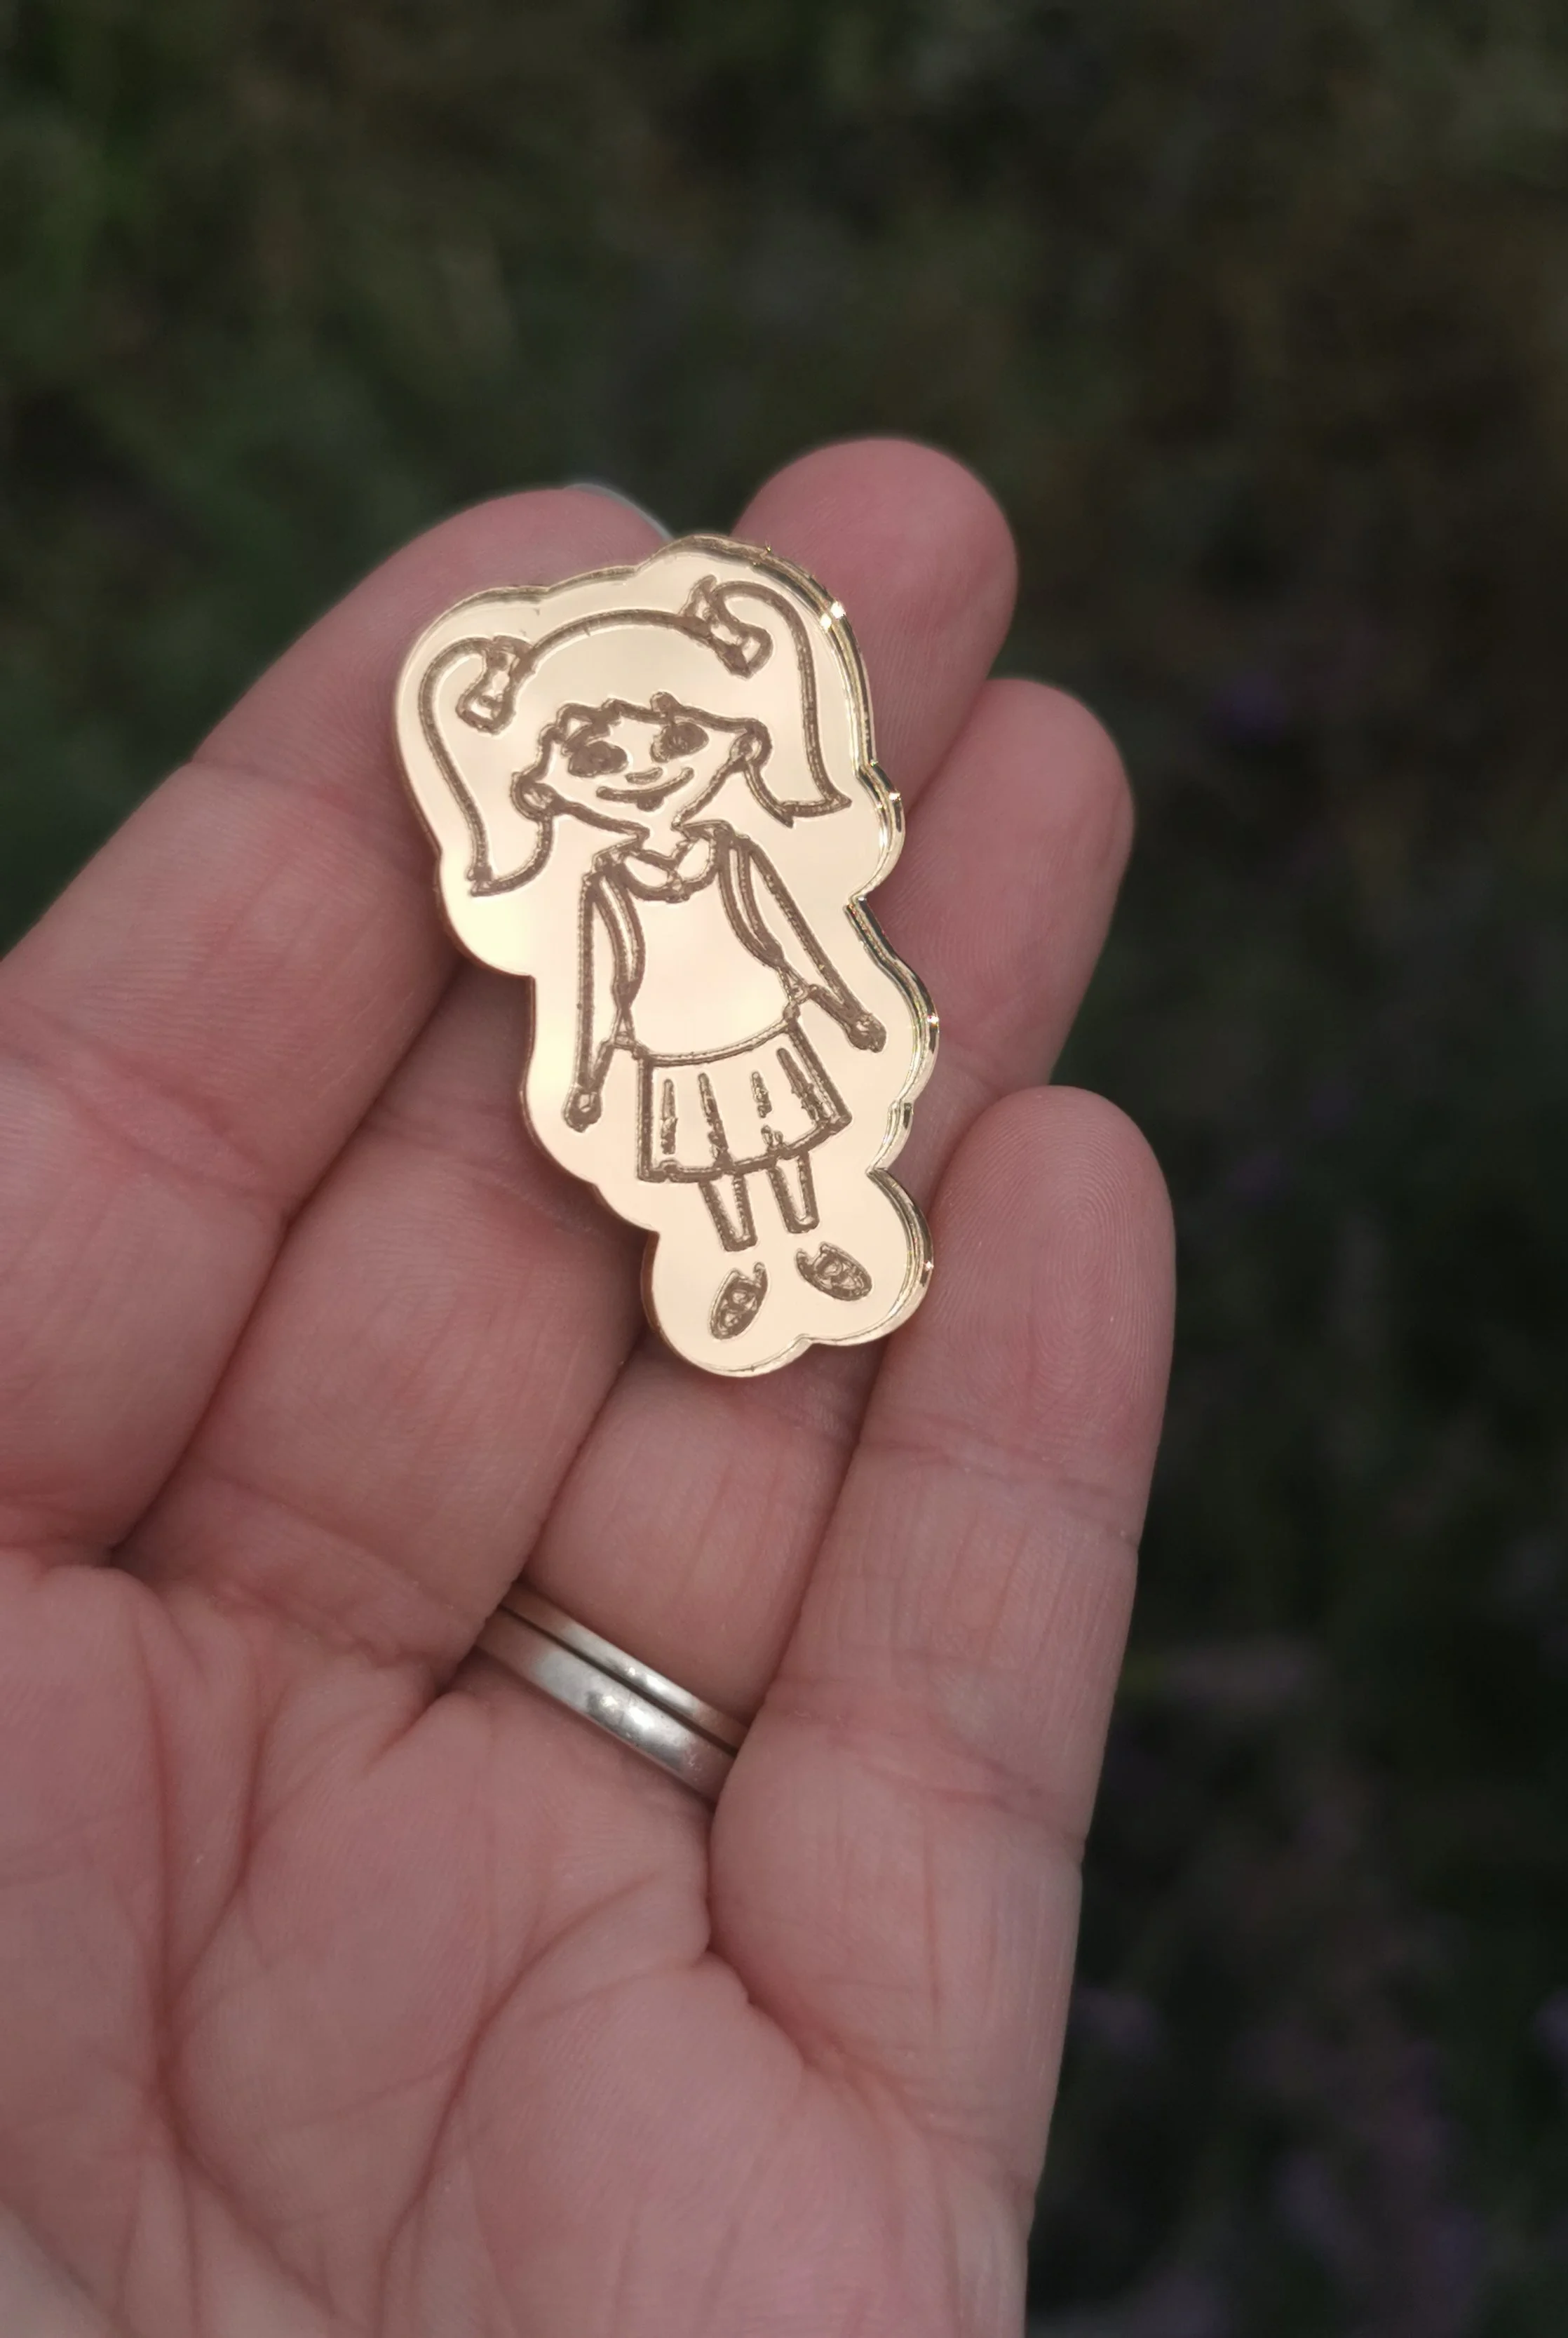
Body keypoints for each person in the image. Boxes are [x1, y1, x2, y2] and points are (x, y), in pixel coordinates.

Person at [0, 441, 1175, 2337]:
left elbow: (797, 940)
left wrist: (857, 1014)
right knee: (722, 1173)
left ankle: (805, 1241)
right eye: (593, 759)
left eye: (661, 744)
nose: (632, 777)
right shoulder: (595, 896)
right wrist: (610, 1069)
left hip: (773, 1030)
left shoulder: (743, 848)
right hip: (664, 1068)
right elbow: (608, 990)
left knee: (798, 1157)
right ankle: (759, 1252)